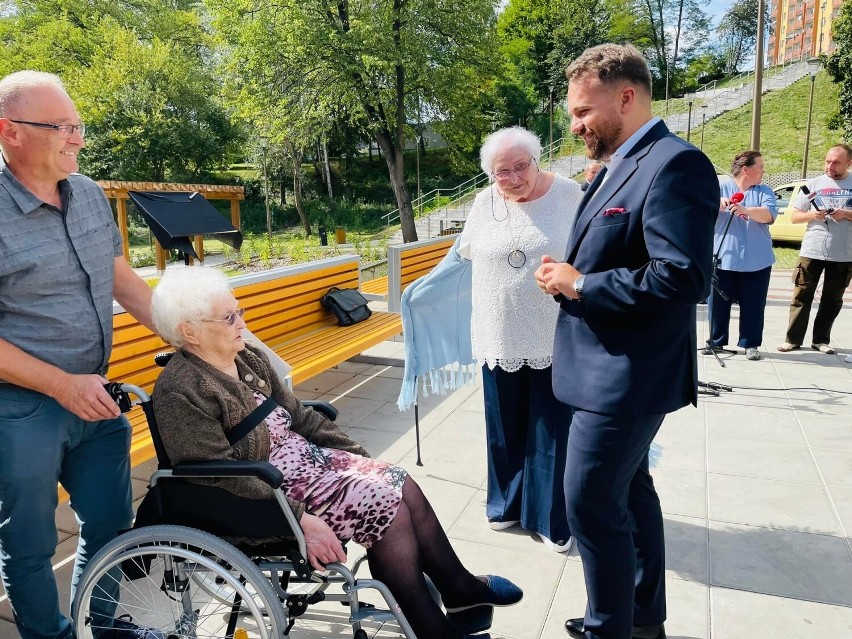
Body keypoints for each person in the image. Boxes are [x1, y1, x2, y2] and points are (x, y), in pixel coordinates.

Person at [149, 266, 523, 639]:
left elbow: (298, 416)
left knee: (399, 481)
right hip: (264, 491)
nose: (241, 323)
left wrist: (358, 456)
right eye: (230, 317)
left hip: (306, 464)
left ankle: (459, 589)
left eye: (240, 311)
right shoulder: (182, 389)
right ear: (189, 331)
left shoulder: (248, 358)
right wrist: (301, 519)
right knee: (384, 509)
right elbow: (212, 472)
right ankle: (432, 628)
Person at [534, 44, 717, 639]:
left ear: (627, 96)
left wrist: (582, 283)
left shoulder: (675, 164)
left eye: (584, 111)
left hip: (626, 376)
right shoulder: (624, 161)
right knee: (631, 495)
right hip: (604, 367)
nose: (576, 124)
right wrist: (572, 274)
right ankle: (641, 619)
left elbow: (682, 276)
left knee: (589, 503)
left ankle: (607, 627)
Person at [0, 71, 156, 639]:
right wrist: (61, 385)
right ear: (9, 132)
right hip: (21, 411)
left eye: (77, 125)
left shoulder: (87, 193)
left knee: (114, 523)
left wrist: (187, 329)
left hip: (97, 395)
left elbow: (120, 278)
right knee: (29, 543)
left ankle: (101, 623)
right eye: (60, 127)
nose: (77, 139)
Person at [457, 126, 582, 552]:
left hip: (554, 332)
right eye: (500, 172)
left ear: (536, 159)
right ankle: (506, 504)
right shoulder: (483, 202)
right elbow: (464, 253)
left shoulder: (568, 193)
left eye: (520, 166)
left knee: (551, 427)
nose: (511, 178)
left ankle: (550, 518)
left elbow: (593, 252)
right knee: (503, 425)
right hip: (497, 331)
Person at [702, 151, 778, 361]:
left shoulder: (764, 191)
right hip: (723, 258)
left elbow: (769, 214)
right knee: (717, 303)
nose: (763, 171)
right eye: (760, 167)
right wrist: (716, 202)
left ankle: (750, 343)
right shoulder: (719, 189)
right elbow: (699, 208)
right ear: (746, 169)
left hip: (757, 260)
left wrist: (746, 210)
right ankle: (716, 341)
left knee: (754, 304)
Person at [777, 144, 852, 355]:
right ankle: (792, 339)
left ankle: (821, 339)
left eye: (836, 162)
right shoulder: (813, 184)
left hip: (844, 253)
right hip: (812, 250)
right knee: (801, 295)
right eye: (828, 161)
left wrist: (846, 214)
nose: (830, 166)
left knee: (833, 299)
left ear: (849, 163)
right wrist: (813, 215)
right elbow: (795, 216)